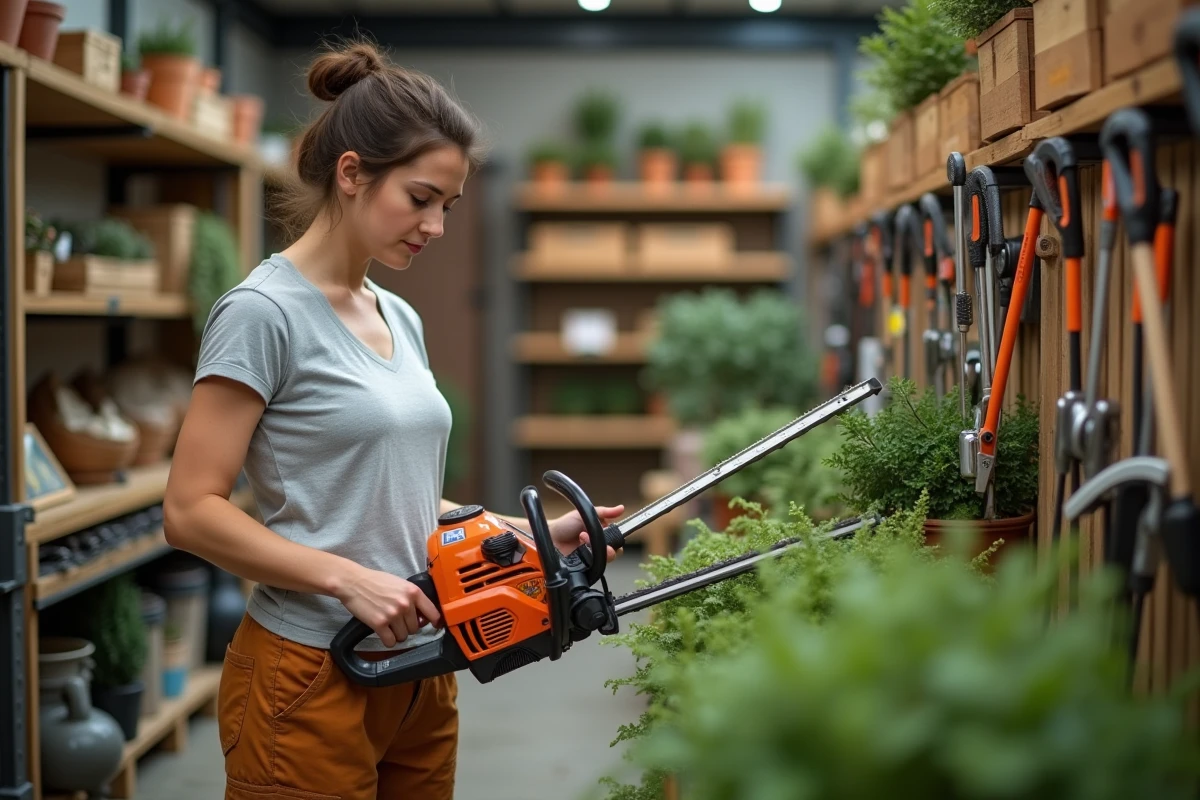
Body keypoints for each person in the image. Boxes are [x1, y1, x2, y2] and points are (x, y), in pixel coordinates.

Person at [163, 40, 625, 800]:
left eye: (447, 206)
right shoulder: (260, 314)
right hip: (311, 671)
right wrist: (348, 580)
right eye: (420, 198)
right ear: (351, 174)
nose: (435, 226)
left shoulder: (398, 315)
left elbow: (393, 492)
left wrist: (523, 532)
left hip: (420, 664)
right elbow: (189, 511)